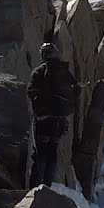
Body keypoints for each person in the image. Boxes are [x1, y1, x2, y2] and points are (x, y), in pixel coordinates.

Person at [27, 43, 79, 187]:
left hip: (44, 118)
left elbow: (31, 91)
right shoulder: (65, 71)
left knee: (40, 153)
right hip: (60, 120)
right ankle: (47, 185)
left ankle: (36, 186)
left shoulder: (40, 71)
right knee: (52, 152)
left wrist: (40, 105)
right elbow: (76, 91)